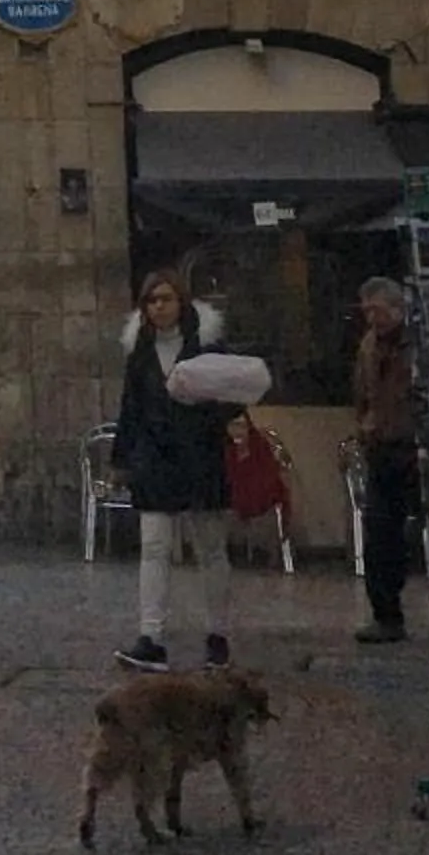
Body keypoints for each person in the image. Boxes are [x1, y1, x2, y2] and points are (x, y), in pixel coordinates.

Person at [110, 268, 235, 670]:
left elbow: (231, 395)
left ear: (181, 302)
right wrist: (123, 459)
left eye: (166, 298)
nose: (159, 306)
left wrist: (217, 418)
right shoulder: (140, 352)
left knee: (210, 549)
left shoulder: (207, 345)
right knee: (154, 548)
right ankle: (151, 636)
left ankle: (217, 633)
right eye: (151, 300)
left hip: (200, 455)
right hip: (156, 459)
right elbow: (130, 407)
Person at [351, 274, 419, 644]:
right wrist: (363, 424)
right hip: (381, 447)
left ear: (396, 308)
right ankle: (386, 614)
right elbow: (361, 389)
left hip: (413, 445)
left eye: (376, 310)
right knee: (379, 532)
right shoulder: (368, 346)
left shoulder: (415, 344)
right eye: (367, 312)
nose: (371, 318)